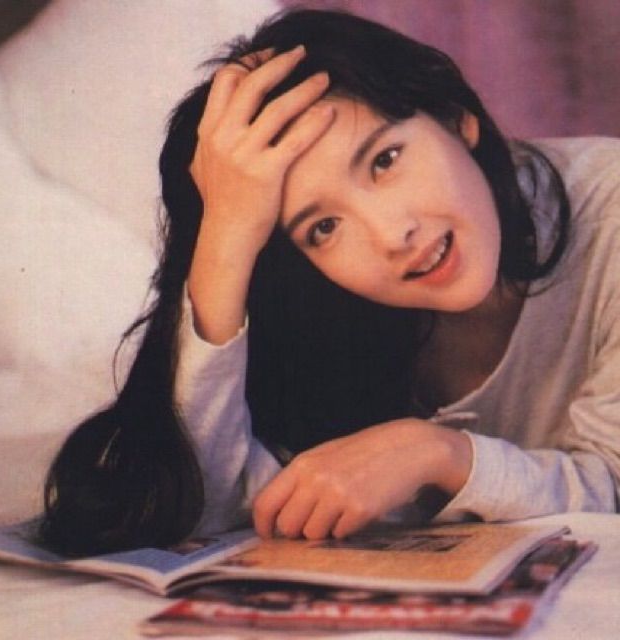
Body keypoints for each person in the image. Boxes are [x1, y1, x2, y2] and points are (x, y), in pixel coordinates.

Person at [39, 8, 620, 556]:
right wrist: (226, 235)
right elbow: (190, 504)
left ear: (453, 116)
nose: (392, 235)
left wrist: (439, 454)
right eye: (323, 227)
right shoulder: (326, 308)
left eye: (385, 160)